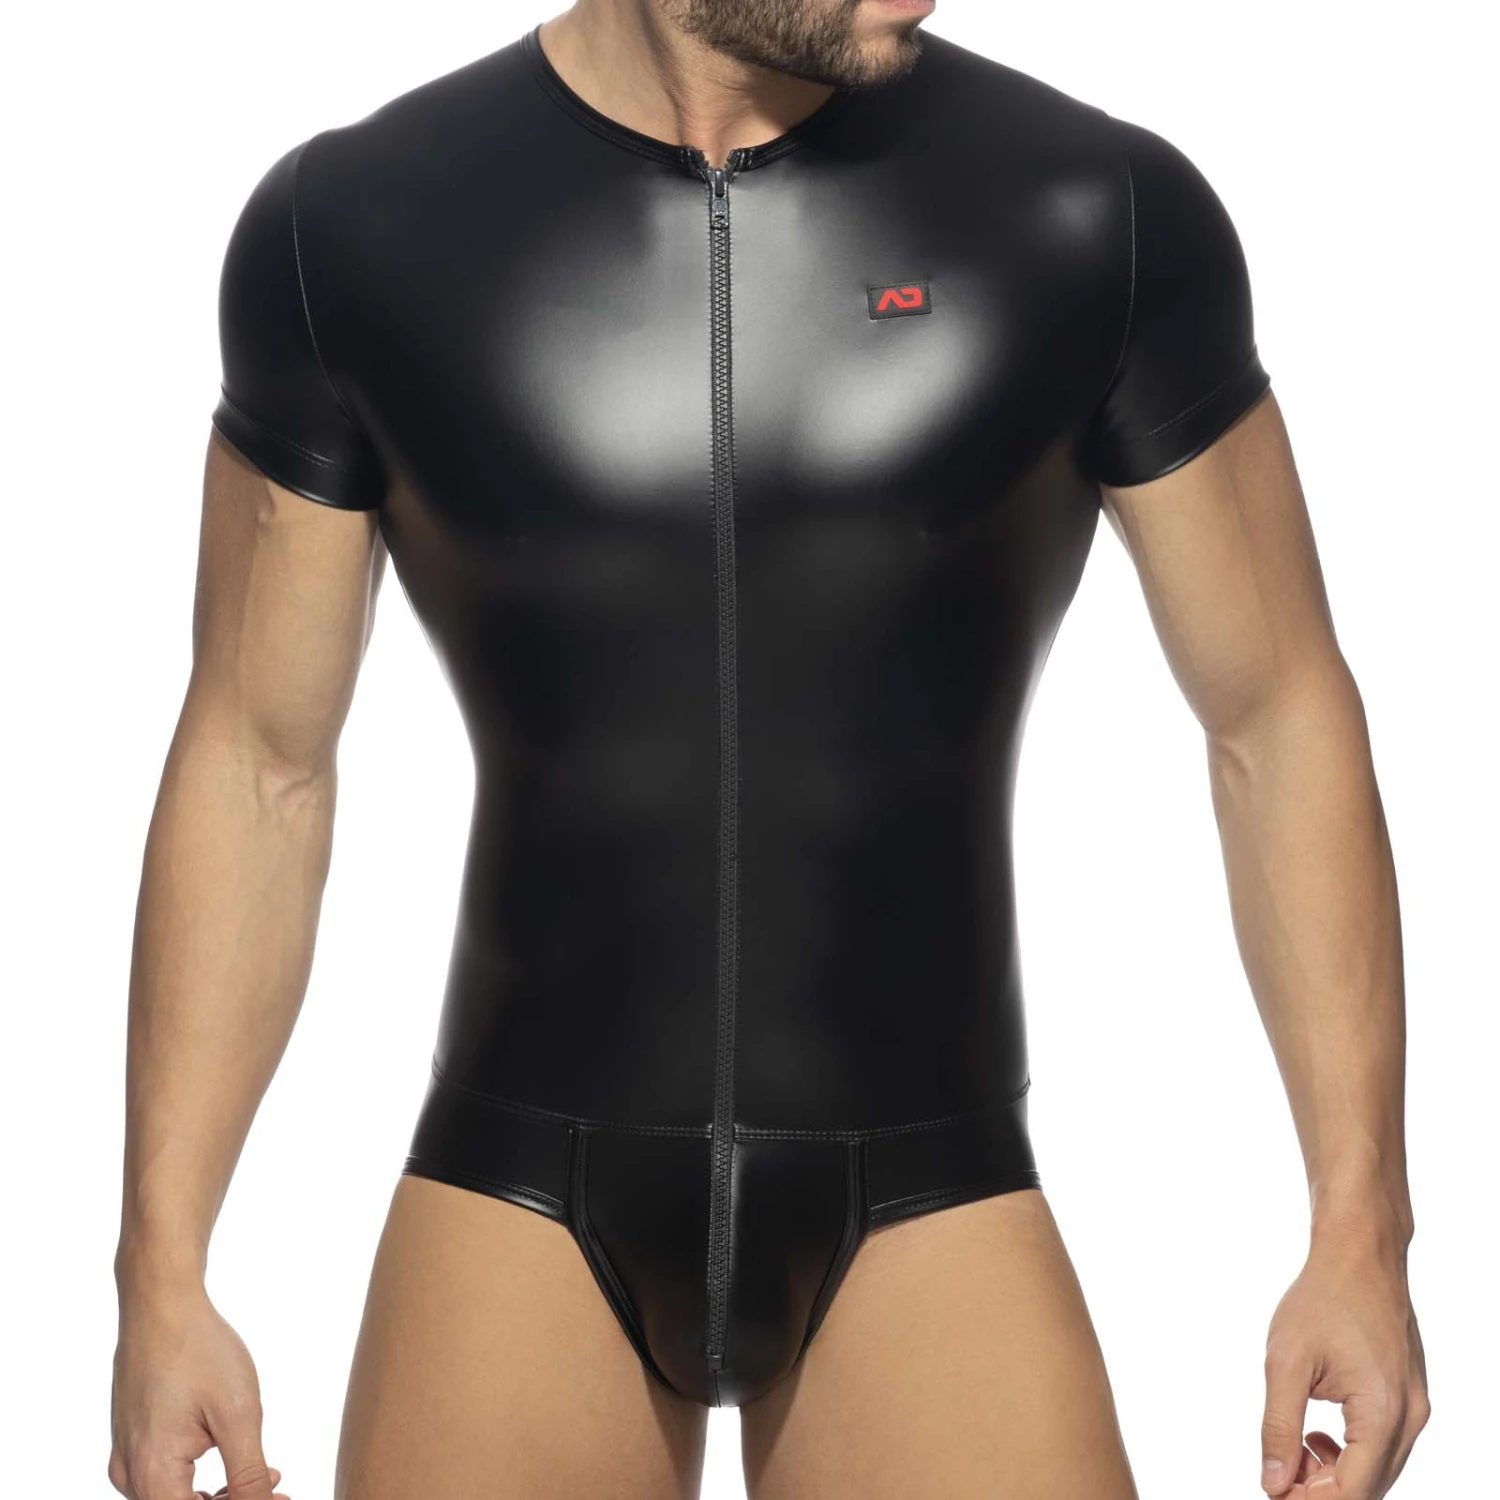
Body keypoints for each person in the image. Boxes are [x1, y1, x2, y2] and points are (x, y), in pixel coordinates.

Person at [109, 2, 1430, 1497]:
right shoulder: (357, 229)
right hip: (519, 1200)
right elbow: (257, 757)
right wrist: (162, 1272)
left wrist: (1360, 1232)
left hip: (930, 1204)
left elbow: (1276, 711)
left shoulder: (1091, 213)